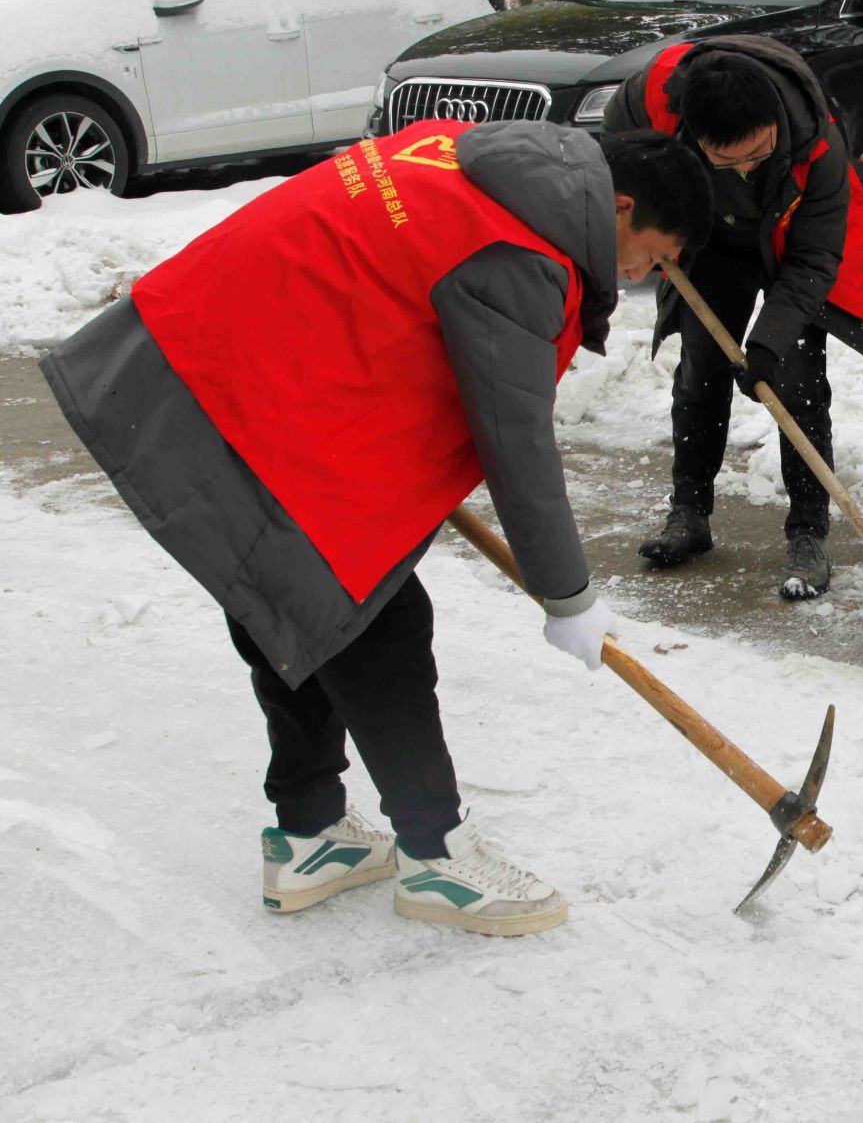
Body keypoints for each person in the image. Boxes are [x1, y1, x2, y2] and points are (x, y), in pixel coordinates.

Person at [40, 120, 711, 933]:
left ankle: (310, 832)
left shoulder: (470, 154)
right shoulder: (522, 250)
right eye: (656, 252)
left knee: (292, 605)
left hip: (195, 356)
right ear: (623, 206)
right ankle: (437, 858)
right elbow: (517, 438)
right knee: (376, 619)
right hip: (252, 398)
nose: (647, 274)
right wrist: (566, 594)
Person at [604, 36, 863, 599]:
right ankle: (689, 513)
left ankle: (808, 534)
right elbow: (617, 146)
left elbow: (814, 260)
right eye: (727, 161)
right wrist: (651, 205)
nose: (746, 169)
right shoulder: (653, 97)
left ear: (774, 126)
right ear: (694, 135)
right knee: (700, 372)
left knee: (797, 381)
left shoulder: (817, 144)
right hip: (709, 238)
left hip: (791, 243)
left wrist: (766, 346)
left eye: (757, 155)